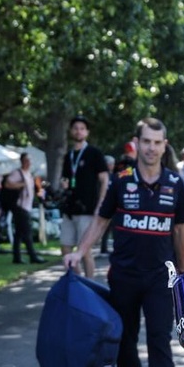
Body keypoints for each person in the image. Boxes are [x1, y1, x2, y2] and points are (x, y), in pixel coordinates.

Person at [63, 117, 184, 367]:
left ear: (164, 145)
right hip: (124, 276)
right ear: (137, 143)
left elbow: (180, 230)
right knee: (125, 340)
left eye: (157, 143)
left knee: (160, 340)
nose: (151, 148)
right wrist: (79, 251)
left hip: (159, 277)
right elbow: (101, 220)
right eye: (146, 141)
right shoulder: (120, 181)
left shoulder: (175, 183)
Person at [58, 115, 110, 279]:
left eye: (82, 129)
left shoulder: (94, 153)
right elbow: (66, 178)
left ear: (87, 132)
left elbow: (104, 179)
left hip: (87, 209)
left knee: (85, 250)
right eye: (75, 128)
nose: (78, 131)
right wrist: (64, 184)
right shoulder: (68, 156)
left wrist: (100, 204)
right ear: (71, 131)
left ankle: (89, 284)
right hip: (69, 210)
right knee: (65, 248)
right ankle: (78, 281)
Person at [4, 152, 45, 264]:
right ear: (22, 161)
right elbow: (7, 184)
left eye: (29, 160)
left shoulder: (29, 174)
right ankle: (32, 256)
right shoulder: (17, 173)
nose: (28, 163)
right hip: (20, 206)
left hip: (27, 206)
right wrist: (21, 185)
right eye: (26, 160)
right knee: (27, 231)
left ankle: (17, 257)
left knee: (19, 233)